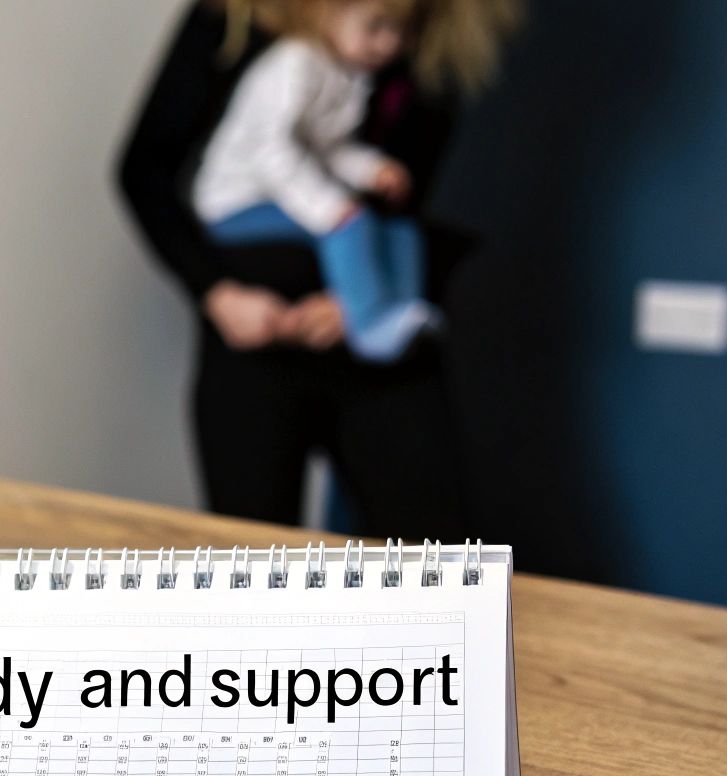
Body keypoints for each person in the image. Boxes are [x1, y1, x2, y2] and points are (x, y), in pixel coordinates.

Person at [115, 0, 514, 537]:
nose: (385, 42)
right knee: (255, 574)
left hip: (381, 345)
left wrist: (360, 301)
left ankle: (376, 315)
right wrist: (217, 293)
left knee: (437, 567)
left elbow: (410, 198)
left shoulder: (431, 35)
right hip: (256, 340)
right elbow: (146, 172)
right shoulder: (240, 23)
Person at [192, 0, 516, 363]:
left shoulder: (349, 75)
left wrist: (371, 169)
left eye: (402, 31)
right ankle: (371, 325)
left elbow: (329, 148)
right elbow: (271, 152)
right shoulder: (295, 64)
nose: (390, 44)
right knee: (351, 223)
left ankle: (403, 312)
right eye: (376, 27)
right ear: (325, 11)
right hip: (237, 203)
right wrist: (327, 207)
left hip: (284, 195)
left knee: (399, 232)